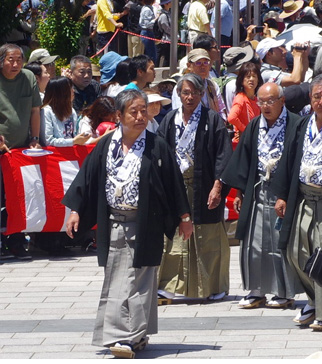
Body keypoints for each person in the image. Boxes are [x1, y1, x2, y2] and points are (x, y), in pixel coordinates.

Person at [63, 88, 192, 359]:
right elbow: (86, 180)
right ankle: (134, 333)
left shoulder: (157, 146)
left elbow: (173, 184)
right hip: (114, 222)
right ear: (119, 115)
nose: (140, 116)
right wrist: (75, 211)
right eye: (133, 112)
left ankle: (127, 337)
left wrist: (184, 218)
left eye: (143, 111)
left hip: (146, 222)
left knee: (139, 281)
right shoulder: (106, 145)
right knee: (118, 281)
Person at [271, 72, 322, 331]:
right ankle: (314, 299)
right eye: (316, 96)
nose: (321, 101)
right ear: (310, 97)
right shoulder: (301, 125)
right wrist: (283, 195)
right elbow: (288, 160)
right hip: (303, 198)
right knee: (296, 253)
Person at [220, 81, 301, 310]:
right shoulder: (255, 125)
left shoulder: (296, 124)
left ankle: (283, 291)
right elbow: (244, 160)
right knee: (253, 243)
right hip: (258, 190)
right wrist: (239, 190)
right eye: (261, 101)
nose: (265, 106)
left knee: (279, 242)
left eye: (270, 101)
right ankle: (256, 291)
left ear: (282, 101)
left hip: (282, 190)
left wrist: (286, 193)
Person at [158, 73, 231, 303]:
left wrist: (218, 186)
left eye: (194, 92)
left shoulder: (212, 120)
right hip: (176, 186)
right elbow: (160, 153)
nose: (190, 97)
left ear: (202, 94)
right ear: (179, 94)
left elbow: (223, 156)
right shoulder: (170, 120)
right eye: (185, 92)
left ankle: (214, 285)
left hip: (204, 184)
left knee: (209, 237)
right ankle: (169, 285)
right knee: (173, 236)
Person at [0, 43, 42, 258]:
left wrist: (34, 138)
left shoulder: (28, 77)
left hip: (20, 150)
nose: (15, 64)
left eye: (19, 60)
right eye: (10, 60)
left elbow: (35, 110)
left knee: (18, 198)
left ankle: (16, 242)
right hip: (1, 150)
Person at [40, 76, 87, 147]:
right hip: (54, 155)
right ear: (61, 93)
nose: (73, 91)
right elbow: (48, 141)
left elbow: (74, 135)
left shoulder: (71, 110)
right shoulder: (46, 111)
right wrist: (72, 141)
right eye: (70, 89)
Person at [227, 59, 262, 146]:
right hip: (241, 144)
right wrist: (245, 129)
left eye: (254, 76)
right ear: (241, 80)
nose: (251, 79)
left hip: (254, 142)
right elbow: (231, 118)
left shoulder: (257, 99)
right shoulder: (240, 98)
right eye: (248, 76)